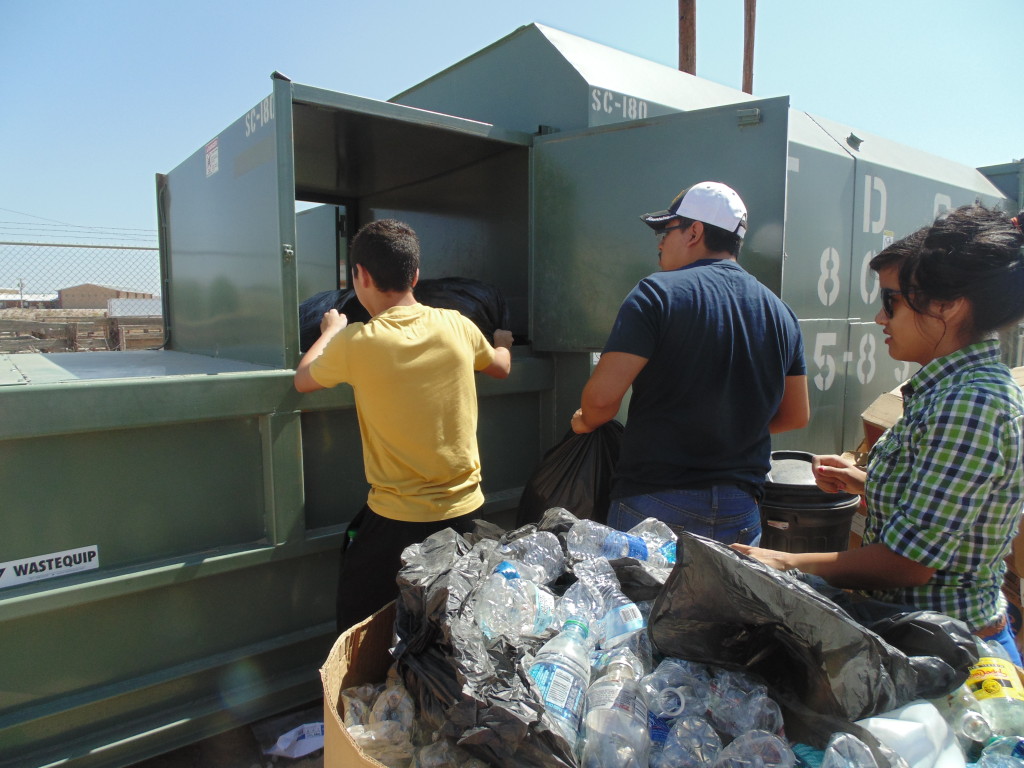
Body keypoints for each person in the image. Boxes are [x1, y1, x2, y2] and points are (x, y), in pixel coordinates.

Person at [734, 204, 1024, 663]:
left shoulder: (971, 403)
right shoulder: (946, 389)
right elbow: (944, 507)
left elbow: (908, 564)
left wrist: (783, 562)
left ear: (948, 304)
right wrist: (859, 482)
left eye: (891, 300)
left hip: (950, 656)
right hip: (915, 638)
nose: (878, 318)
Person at [294, 218, 514, 633]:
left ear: (359, 276)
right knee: (456, 630)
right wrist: (502, 339)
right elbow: (500, 367)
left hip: (396, 522)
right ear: (416, 275)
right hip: (466, 512)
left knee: (364, 627)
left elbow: (303, 379)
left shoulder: (356, 341)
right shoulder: (459, 326)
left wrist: (330, 331)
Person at [571, 181, 809, 545]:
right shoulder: (780, 313)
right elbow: (796, 415)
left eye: (666, 230)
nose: (660, 242)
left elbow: (601, 402)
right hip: (741, 507)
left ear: (695, 231)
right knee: (723, 603)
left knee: (641, 601)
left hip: (654, 503)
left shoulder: (656, 294)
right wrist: (730, 431)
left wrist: (584, 421)